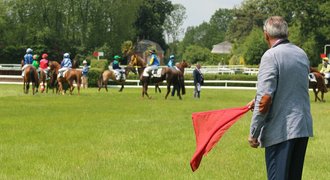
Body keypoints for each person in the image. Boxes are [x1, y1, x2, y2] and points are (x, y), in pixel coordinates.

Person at [247, 16, 313, 180]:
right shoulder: (301, 53)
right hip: (302, 128)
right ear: (287, 33)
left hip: (281, 130)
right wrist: (257, 100)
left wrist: (253, 132)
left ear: (265, 35)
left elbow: (266, 98)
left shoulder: (271, 56)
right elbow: (291, 88)